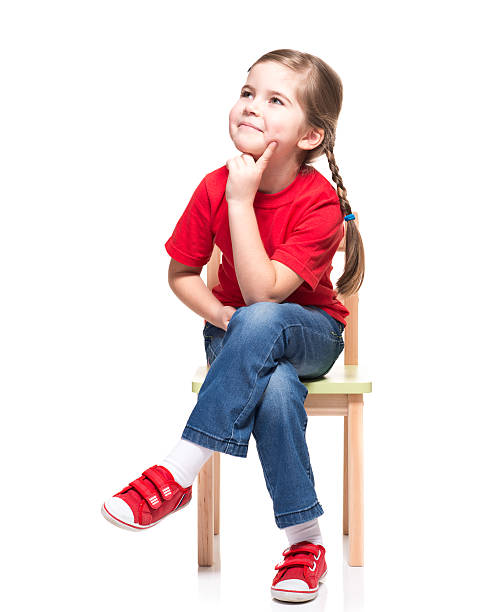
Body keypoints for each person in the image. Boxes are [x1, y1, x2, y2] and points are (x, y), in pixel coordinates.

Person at [101, 48, 365, 603]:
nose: (251, 106)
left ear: (311, 136)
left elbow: (264, 293)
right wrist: (219, 315)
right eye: (248, 92)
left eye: (275, 100)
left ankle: (176, 472)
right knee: (271, 389)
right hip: (234, 333)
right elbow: (182, 274)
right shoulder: (211, 186)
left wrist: (241, 203)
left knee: (263, 316)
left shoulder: (319, 200)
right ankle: (305, 543)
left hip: (310, 332)